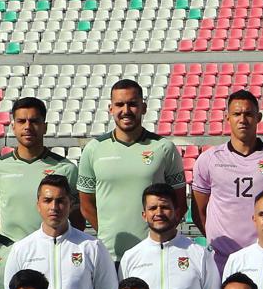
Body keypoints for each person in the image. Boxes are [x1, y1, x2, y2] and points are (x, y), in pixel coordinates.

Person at [190, 88, 263, 272]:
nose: (242, 119)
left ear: (258, 118)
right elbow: (199, 211)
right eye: (237, 114)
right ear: (228, 118)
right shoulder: (209, 159)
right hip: (221, 261)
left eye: (248, 114)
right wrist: (216, 241)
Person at [77, 77, 187, 260]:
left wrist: (159, 236)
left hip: (154, 253)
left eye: (132, 104)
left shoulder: (164, 148)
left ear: (143, 108)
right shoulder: (94, 149)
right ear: (111, 109)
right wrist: (107, 234)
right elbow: (86, 205)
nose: (126, 111)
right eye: (119, 104)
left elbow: (180, 203)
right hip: (110, 256)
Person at [3, 174, 116, 289]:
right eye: (47, 200)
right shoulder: (22, 249)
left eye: (60, 201)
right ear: (38, 205)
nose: (54, 207)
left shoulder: (92, 247)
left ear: (70, 204)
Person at [118, 182, 219, 289]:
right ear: (144, 215)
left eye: (165, 207)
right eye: (153, 208)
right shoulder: (131, 257)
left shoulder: (199, 255)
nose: (158, 213)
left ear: (177, 212)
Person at [0, 96, 79, 243]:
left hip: (52, 250)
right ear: (13, 127)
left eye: (34, 121)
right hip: (10, 252)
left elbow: (77, 218)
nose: (27, 126)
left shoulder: (66, 168)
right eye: (21, 121)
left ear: (45, 127)